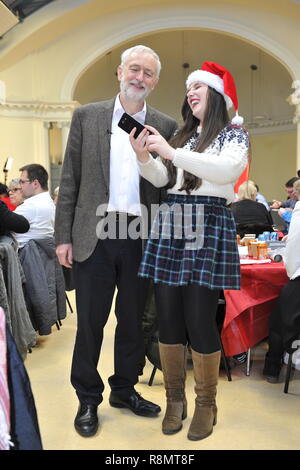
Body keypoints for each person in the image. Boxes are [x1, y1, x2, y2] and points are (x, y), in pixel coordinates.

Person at [54, 45, 177, 438]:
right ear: (120, 72)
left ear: (155, 81)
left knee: (134, 322)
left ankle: (124, 389)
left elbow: (168, 187)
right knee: (90, 321)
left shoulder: (165, 125)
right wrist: (63, 238)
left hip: (140, 236)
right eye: (134, 69)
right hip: (94, 234)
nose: (139, 77)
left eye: (148, 73)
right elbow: (70, 179)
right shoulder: (88, 116)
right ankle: (87, 397)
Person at [130, 61, 249, 441]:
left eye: (198, 86)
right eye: (188, 88)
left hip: (209, 219)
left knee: (199, 318)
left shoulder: (234, 134)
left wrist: (170, 151)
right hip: (173, 219)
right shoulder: (183, 135)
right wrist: (145, 156)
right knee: (167, 316)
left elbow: (227, 171)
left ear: (216, 95)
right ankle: (174, 400)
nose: (190, 92)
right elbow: (166, 180)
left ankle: (206, 404)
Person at [263, 178, 300, 382]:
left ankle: (272, 367)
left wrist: (290, 269)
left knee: (278, 319)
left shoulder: (298, 213)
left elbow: (293, 256)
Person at [13, 164, 55, 248]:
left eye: (22, 182)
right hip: (41, 257)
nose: (20, 186)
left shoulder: (31, 206)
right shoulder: (49, 202)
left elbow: (5, 223)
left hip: (24, 258)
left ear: (35, 183)